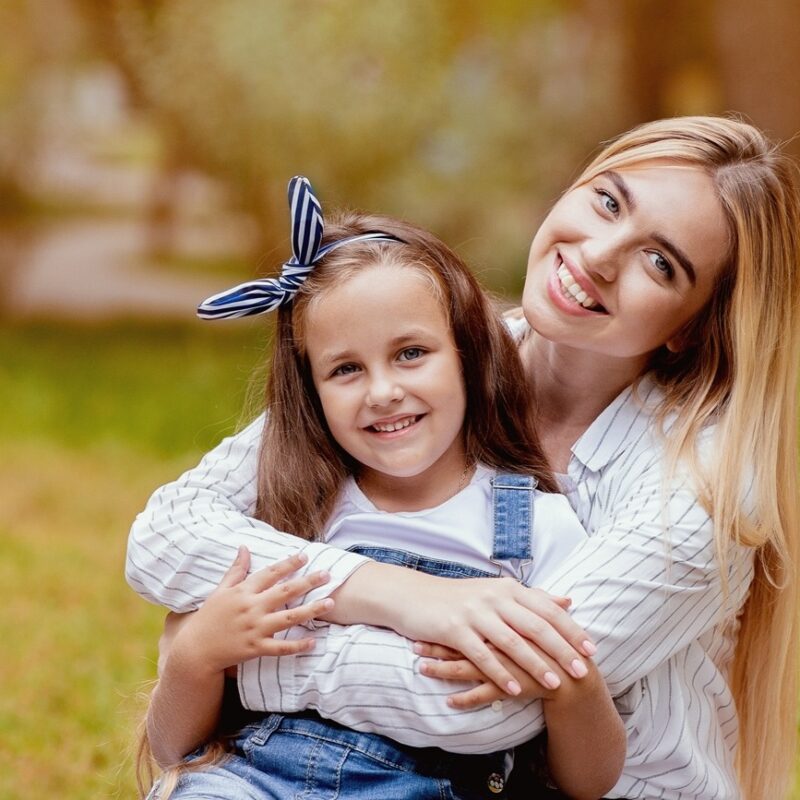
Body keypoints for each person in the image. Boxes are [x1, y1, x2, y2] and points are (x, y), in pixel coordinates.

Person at [127, 117, 800, 800]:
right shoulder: (431, 359)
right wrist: (406, 596)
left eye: (661, 263)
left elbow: (492, 706)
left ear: (691, 326)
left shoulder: (706, 477)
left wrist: (221, 653)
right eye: (608, 201)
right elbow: (166, 537)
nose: (599, 255)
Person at [138, 175, 626, 800]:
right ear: (311, 392)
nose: (383, 391)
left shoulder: (537, 529)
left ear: (469, 355)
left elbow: (590, 781)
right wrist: (196, 655)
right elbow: (173, 751)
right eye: (346, 368)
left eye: (411, 353)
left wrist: (575, 684)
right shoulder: (297, 517)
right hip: (259, 779)